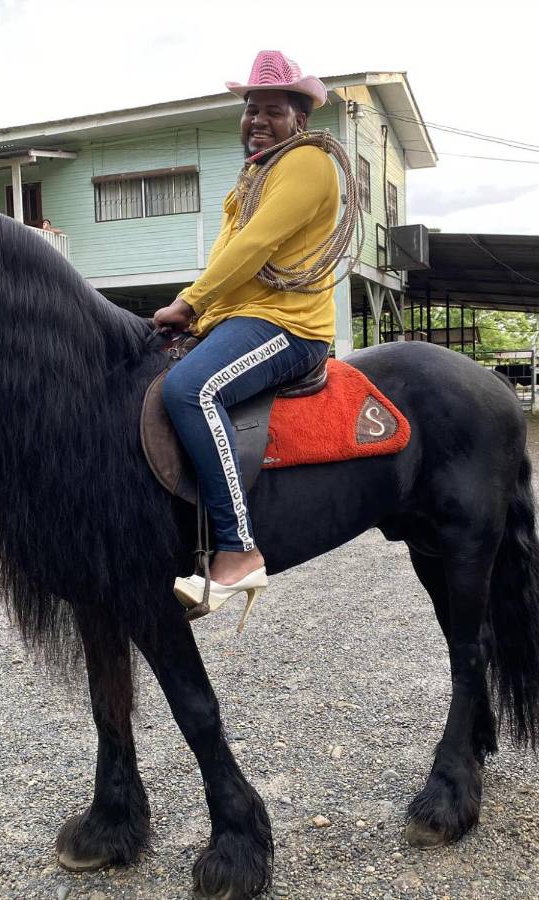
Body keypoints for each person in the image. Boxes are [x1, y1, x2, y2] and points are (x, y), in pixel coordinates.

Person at [152, 51, 340, 616]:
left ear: (299, 119)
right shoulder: (255, 174)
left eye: (273, 110)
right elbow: (231, 256)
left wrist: (188, 303)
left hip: (289, 324)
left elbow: (254, 247)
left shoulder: (307, 162)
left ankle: (237, 551)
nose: (258, 119)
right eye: (251, 109)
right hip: (244, 319)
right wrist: (201, 315)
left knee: (190, 389)